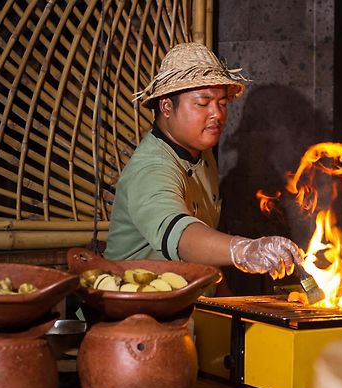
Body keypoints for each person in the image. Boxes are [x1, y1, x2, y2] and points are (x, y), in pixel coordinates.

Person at [104, 42, 303, 294]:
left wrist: (226, 307)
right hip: (135, 312)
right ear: (166, 106)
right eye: (203, 102)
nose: (217, 114)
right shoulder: (152, 167)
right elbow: (182, 235)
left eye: (221, 102)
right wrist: (245, 250)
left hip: (189, 302)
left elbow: (204, 245)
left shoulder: (201, 152)